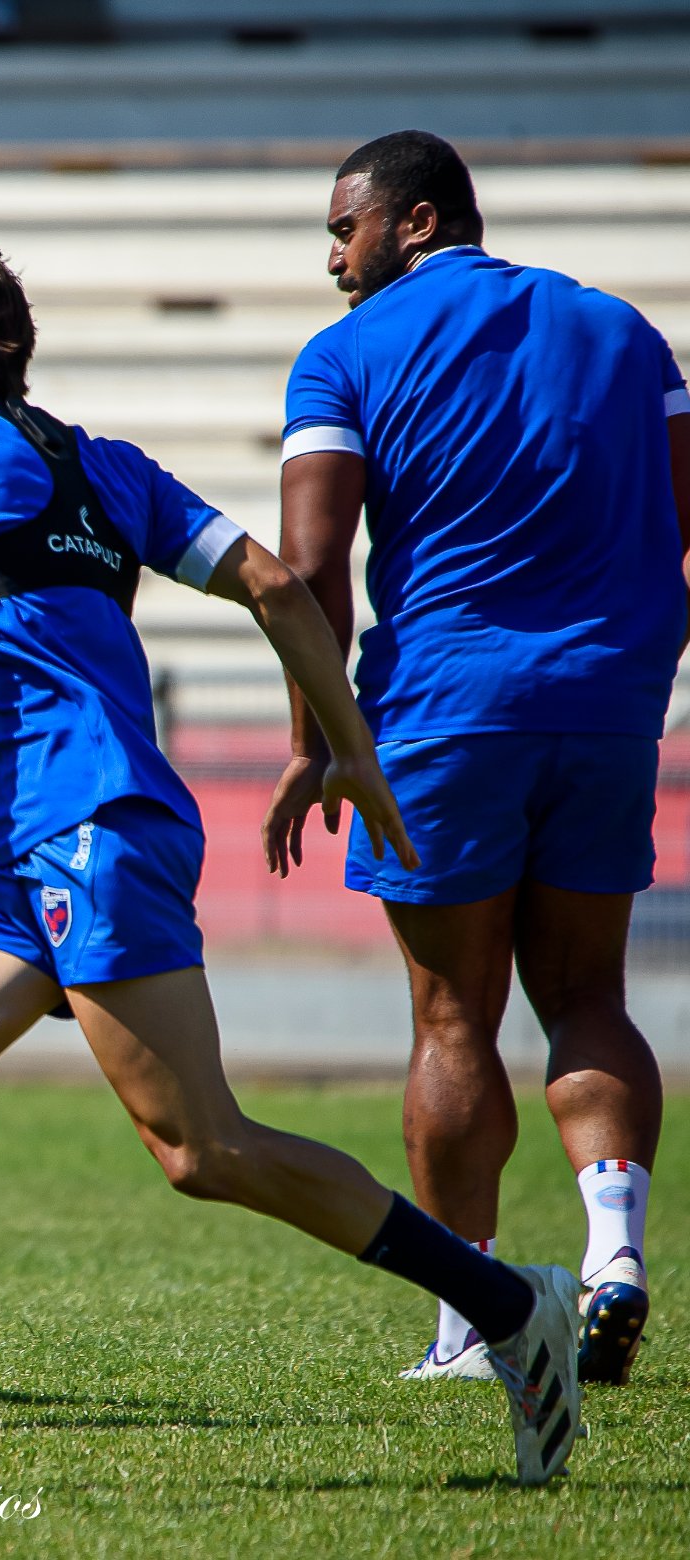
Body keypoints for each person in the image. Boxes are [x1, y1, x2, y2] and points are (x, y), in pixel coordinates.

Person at [0, 228, 584, 1487]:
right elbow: (273, 583)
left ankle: (506, 1301)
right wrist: (345, 749)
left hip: (85, 835)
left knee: (204, 1148)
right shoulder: (104, 466)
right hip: (45, 850)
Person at [271, 131, 687, 1387]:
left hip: (446, 711)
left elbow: (307, 573)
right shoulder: (624, 333)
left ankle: (471, 1323)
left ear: (411, 219)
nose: (328, 254)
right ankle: (612, 1252)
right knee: (586, 996)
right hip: (608, 708)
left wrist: (315, 744)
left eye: (342, 227)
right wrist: (635, 664)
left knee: (452, 1015)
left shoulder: (344, 355)